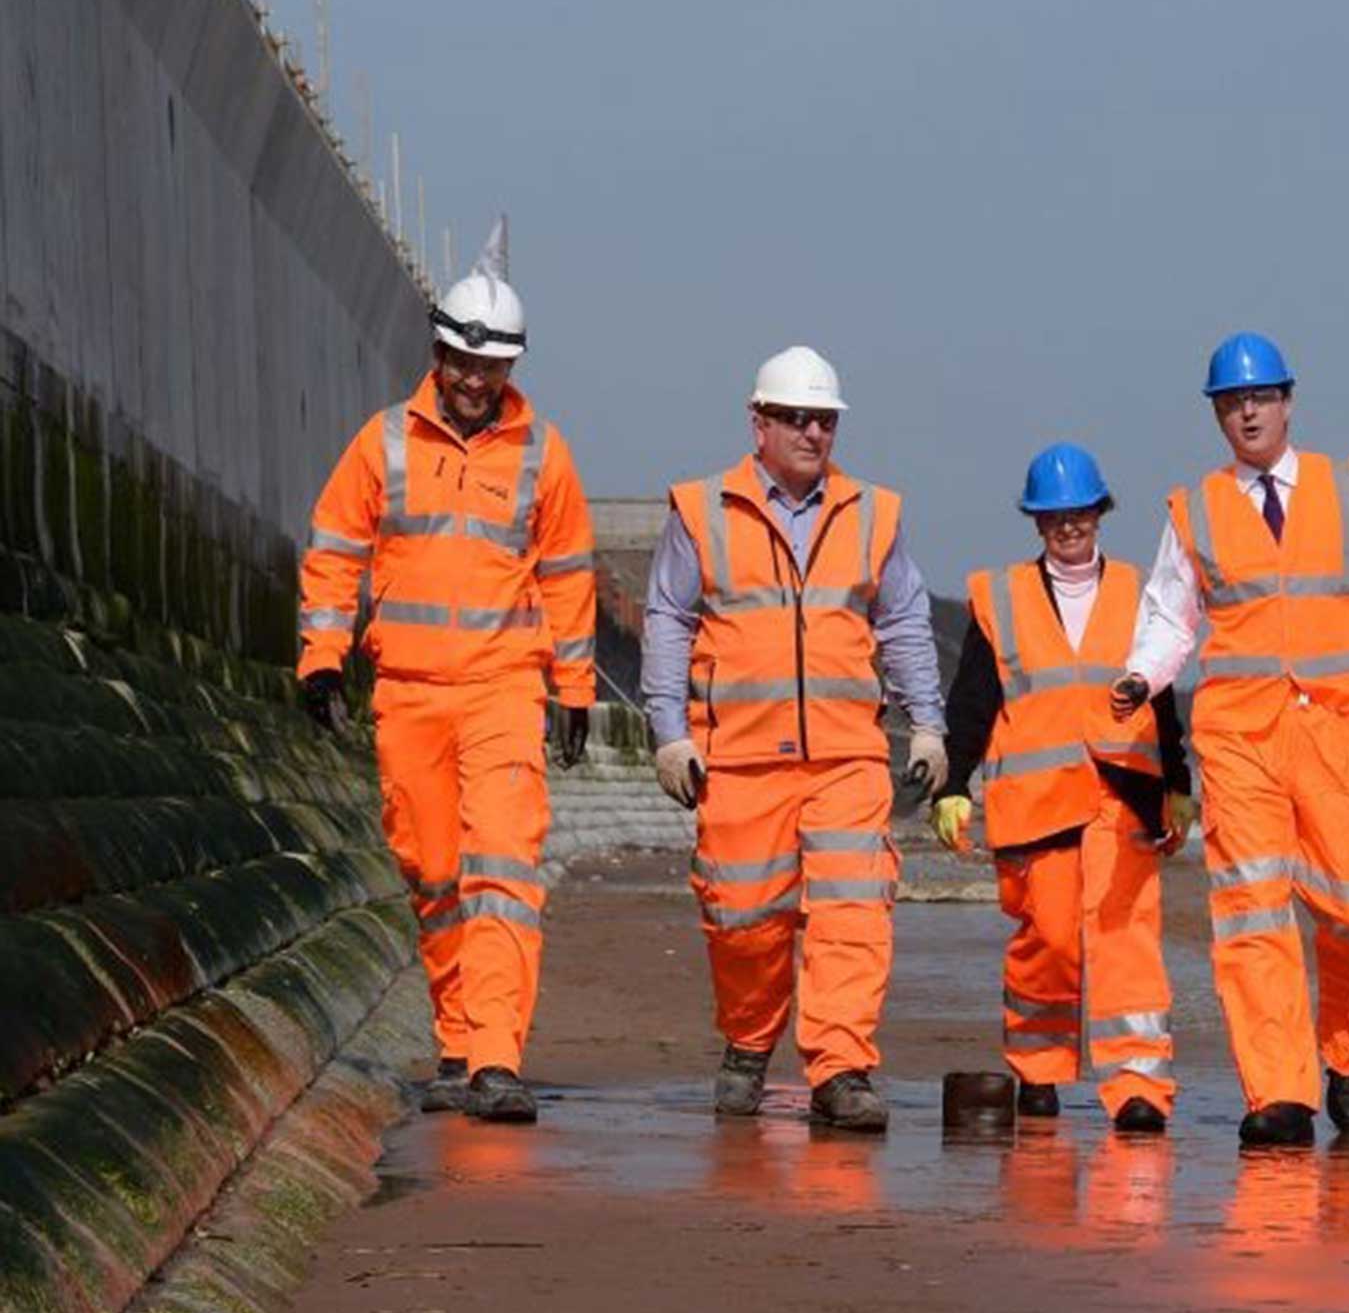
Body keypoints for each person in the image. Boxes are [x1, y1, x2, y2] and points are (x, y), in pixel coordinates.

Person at [297, 218, 596, 1124]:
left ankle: (498, 1061)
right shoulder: (383, 443)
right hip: (409, 694)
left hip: (505, 687)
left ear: (512, 368)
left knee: (502, 868)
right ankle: (462, 1045)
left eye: (492, 368)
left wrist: (573, 690)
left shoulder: (543, 454)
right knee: (433, 873)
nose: (474, 382)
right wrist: (320, 659)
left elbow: (568, 573)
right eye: (462, 364)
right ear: (437, 354)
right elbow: (334, 551)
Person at [1111, 332, 1349, 1148]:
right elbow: (1167, 616)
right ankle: (1280, 1094)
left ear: (1288, 402)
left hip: (1343, 733)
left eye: (1259, 397)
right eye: (1231, 401)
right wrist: (1140, 678)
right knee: (1251, 915)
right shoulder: (1196, 509)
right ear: (1218, 414)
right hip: (1241, 739)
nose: (1247, 411)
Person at [641, 345, 947, 1133]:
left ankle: (842, 1069)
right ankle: (748, 1043)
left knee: (854, 914)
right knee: (744, 919)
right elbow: (669, 620)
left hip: (847, 756)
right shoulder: (704, 509)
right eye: (797, 418)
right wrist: (669, 733)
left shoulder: (871, 511)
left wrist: (929, 723)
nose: (814, 432)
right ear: (759, 422)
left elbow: (906, 619)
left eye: (825, 420)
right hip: (739, 757)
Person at [931, 443, 1194, 1131]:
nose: (1068, 527)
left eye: (1079, 513)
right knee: (1046, 939)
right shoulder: (1000, 597)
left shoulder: (1141, 593)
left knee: (1126, 937)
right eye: (1054, 517)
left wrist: (1179, 782)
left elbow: (1161, 694)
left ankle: (1137, 1086)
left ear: (1099, 512)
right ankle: (1040, 1071)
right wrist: (952, 784)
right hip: (1036, 803)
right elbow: (972, 701)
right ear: (1036, 522)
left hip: (1123, 793)